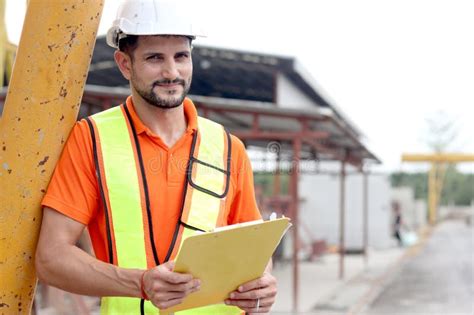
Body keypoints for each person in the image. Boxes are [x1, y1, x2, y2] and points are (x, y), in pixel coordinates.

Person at [35, 1, 277, 314]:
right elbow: (51, 258)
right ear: (124, 64)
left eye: (181, 56)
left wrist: (263, 282)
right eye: (154, 58)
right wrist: (141, 283)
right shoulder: (91, 140)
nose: (171, 72)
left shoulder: (229, 148)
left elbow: (253, 245)